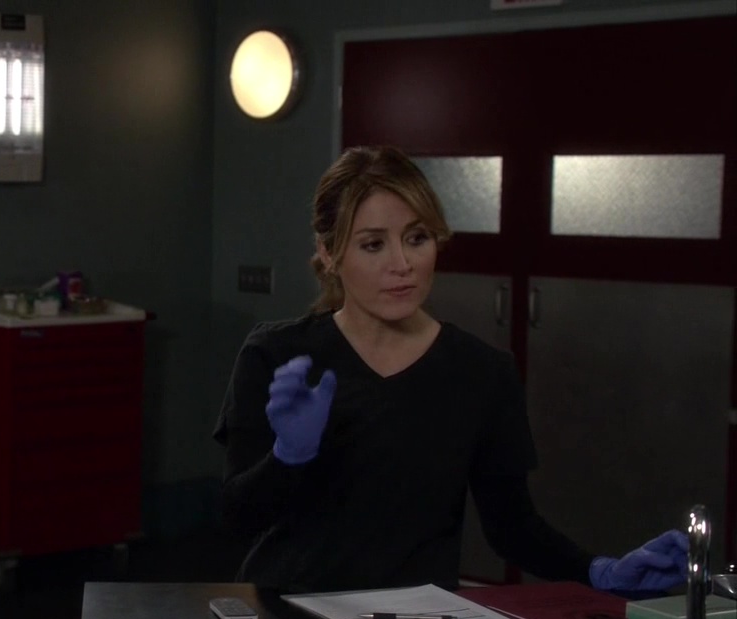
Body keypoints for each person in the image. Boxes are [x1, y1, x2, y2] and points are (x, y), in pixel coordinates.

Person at [213, 145, 687, 595]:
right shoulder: (276, 354)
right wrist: (288, 456)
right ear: (329, 251)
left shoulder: (481, 372)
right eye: (373, 244)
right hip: (285, 617)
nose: (402, 264)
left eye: (416, 238)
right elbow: (236, 519)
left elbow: (512, 527)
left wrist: (598, 571)